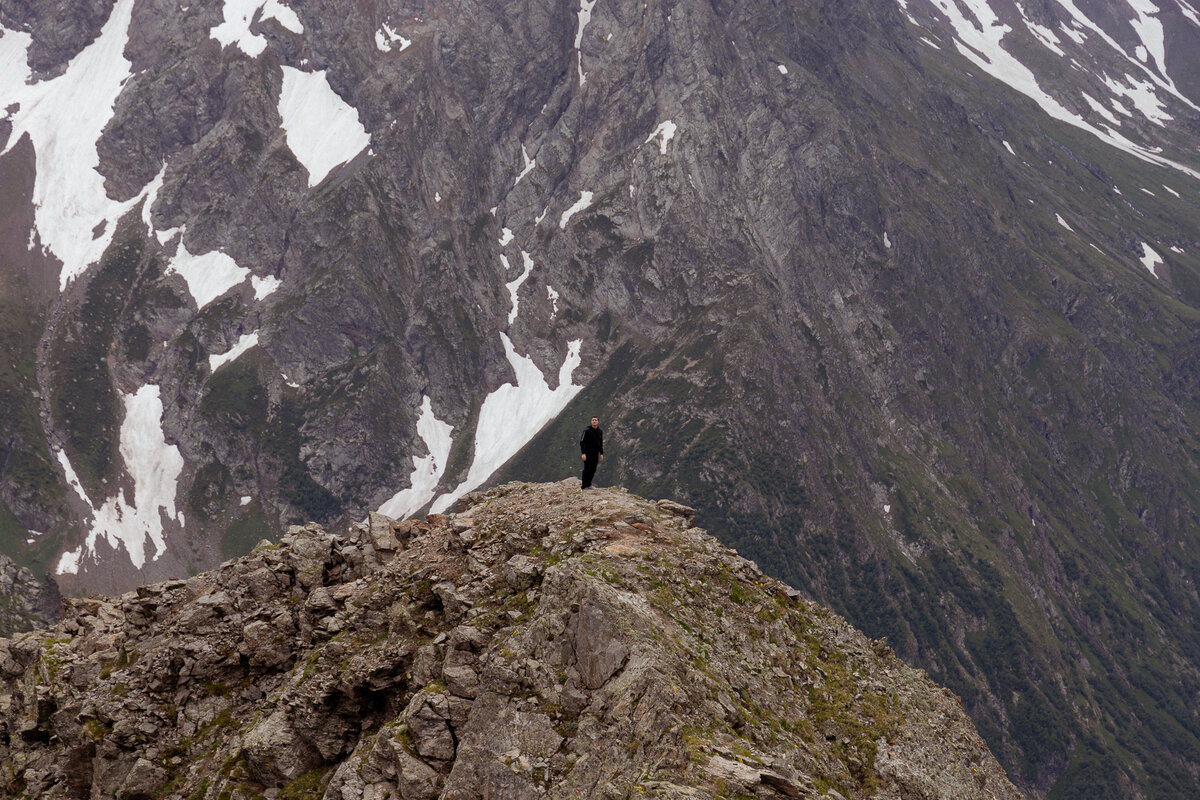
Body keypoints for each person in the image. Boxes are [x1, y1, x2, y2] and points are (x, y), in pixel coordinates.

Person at [579, 415, 604, 489]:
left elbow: (600, 443)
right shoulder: (587, 430)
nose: (594, 421)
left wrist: (601, 453)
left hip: (595, 453)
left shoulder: (600, 431)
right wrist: (583, 453)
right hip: (587, 453)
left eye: (595, 420)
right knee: (587, 469)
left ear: (598, 421)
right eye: (593, 420)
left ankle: (589, 484)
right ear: (591, 421)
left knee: (593, 469)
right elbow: (582, 442)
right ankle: (584, 486)